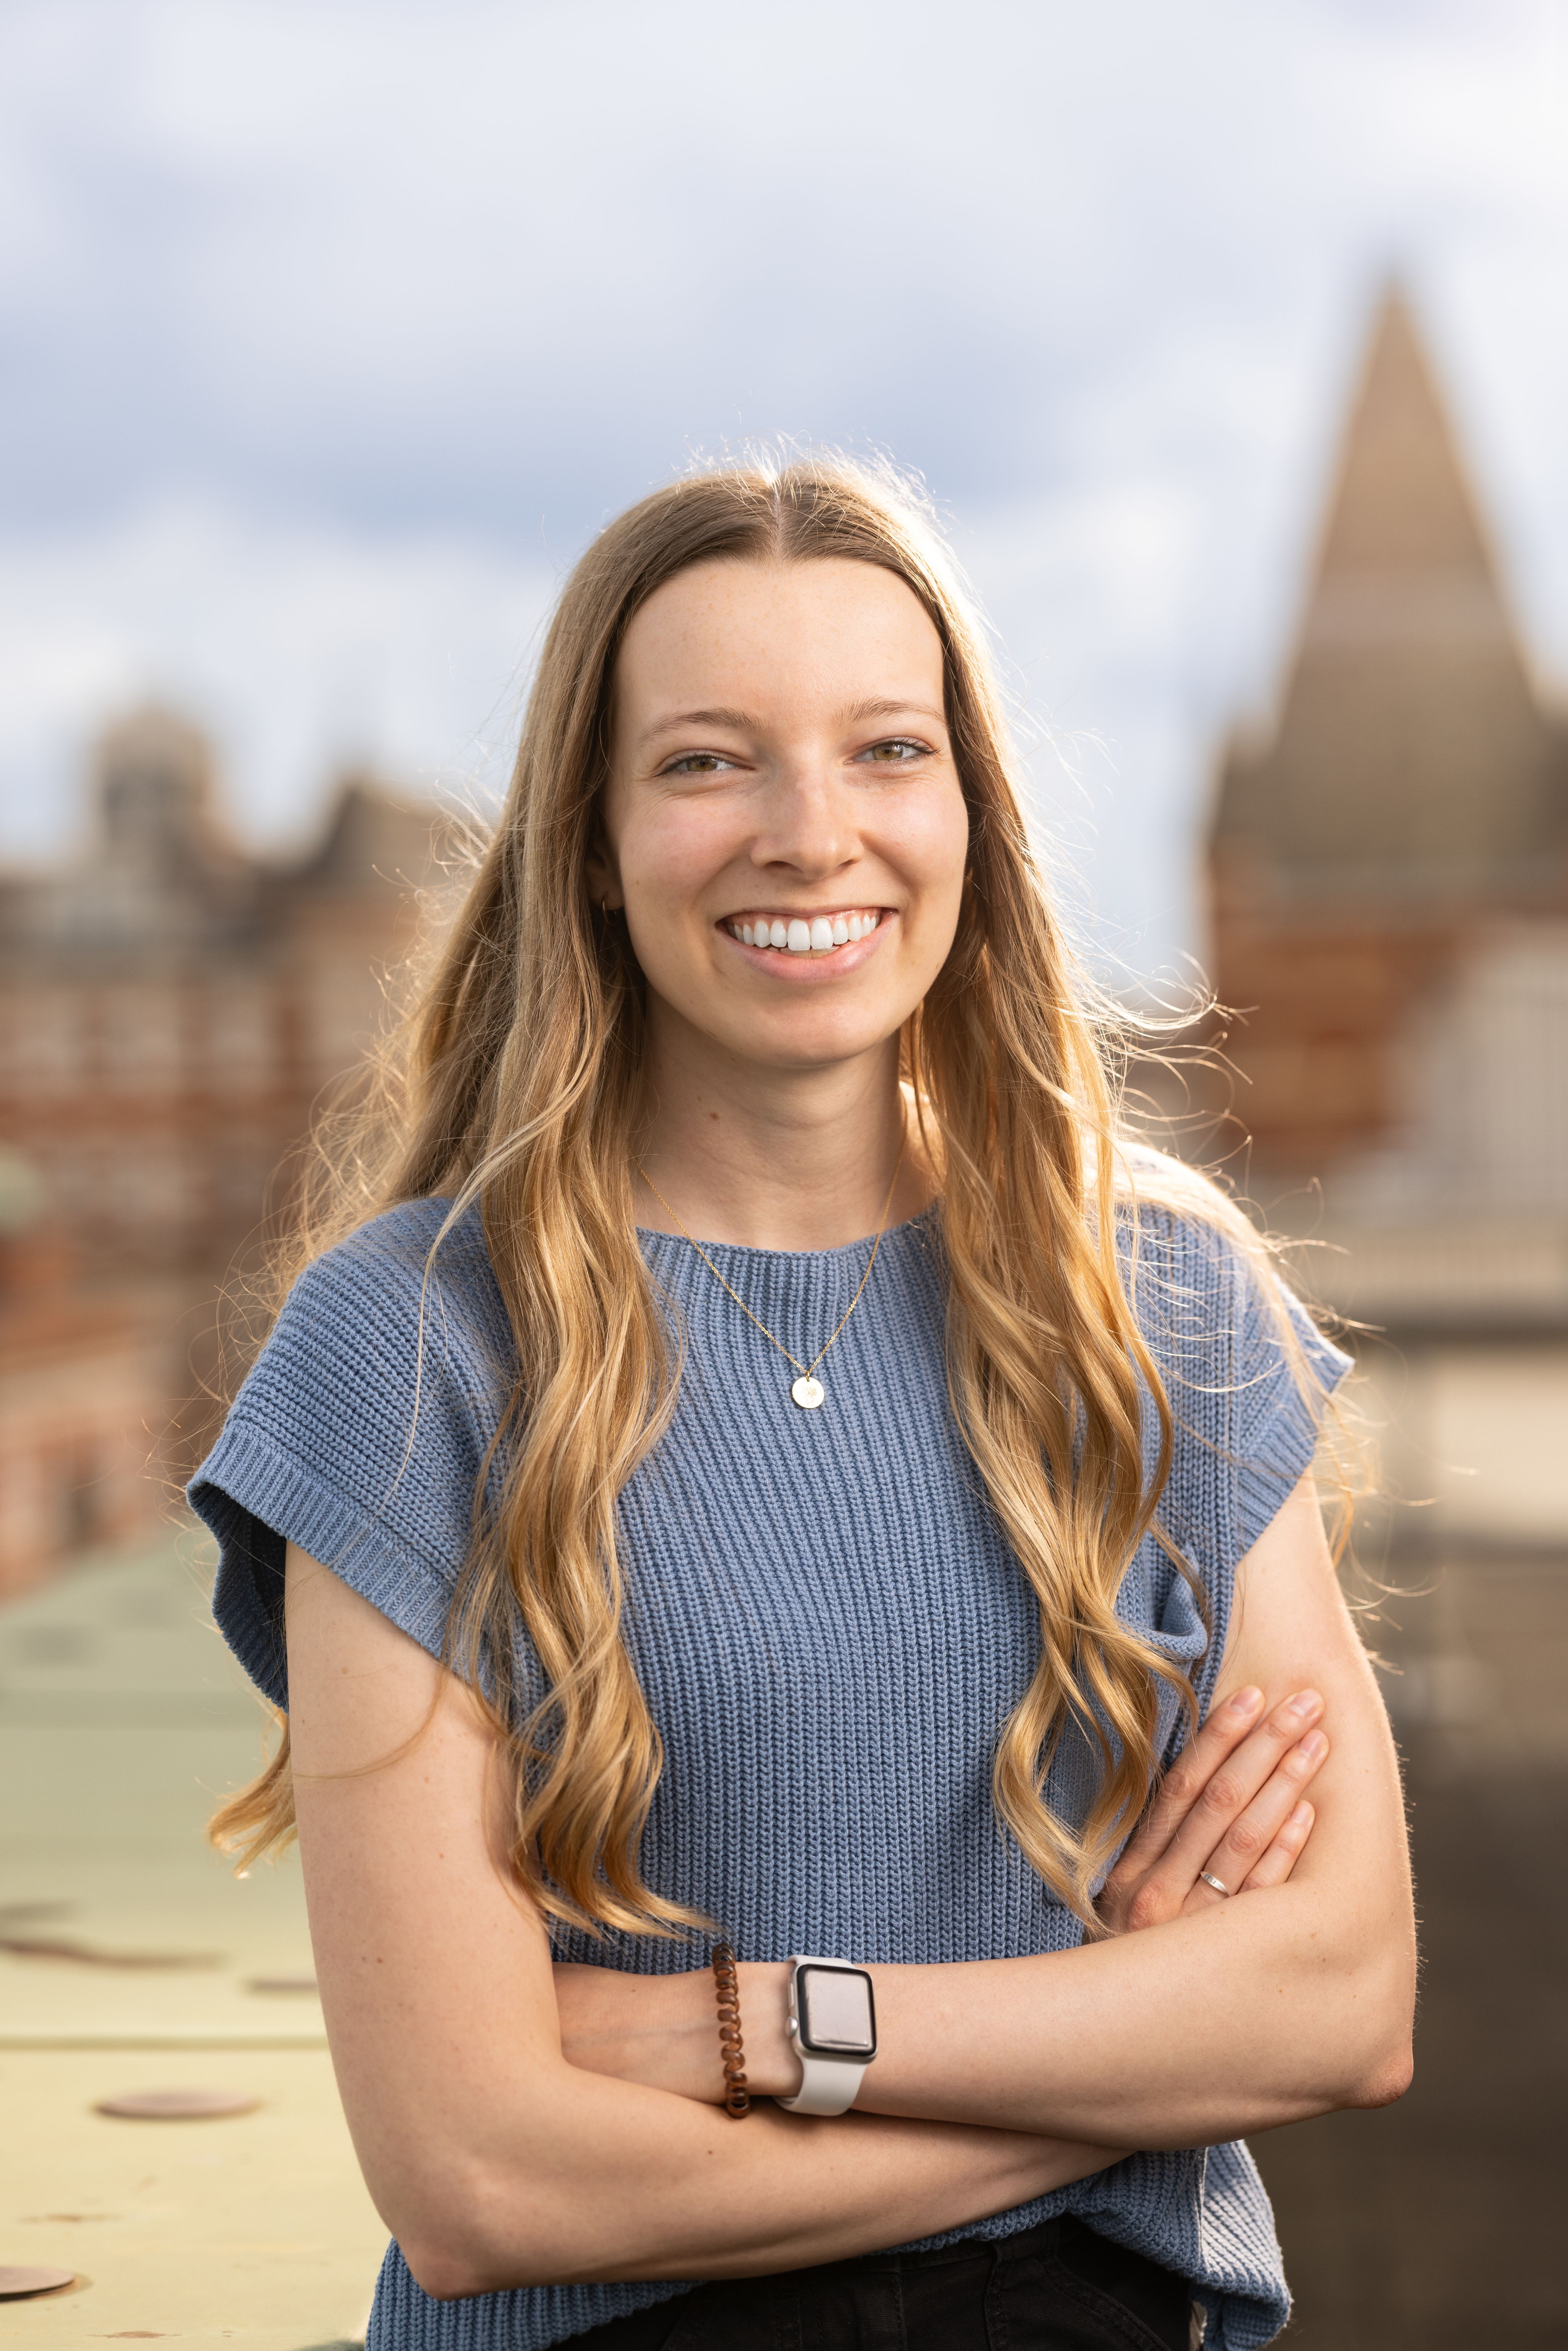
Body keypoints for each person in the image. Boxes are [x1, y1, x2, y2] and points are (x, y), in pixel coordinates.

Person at [191, 459, 1415, 2351]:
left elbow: (1344, 2000)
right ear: (589, 842)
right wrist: (1108, 2081)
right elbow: (482, 2182)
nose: (809, 832)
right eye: (706, 763)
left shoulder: (1165, 1301)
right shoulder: (410, 1347)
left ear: (970, 814)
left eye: (884, 751)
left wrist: (750, 2029)